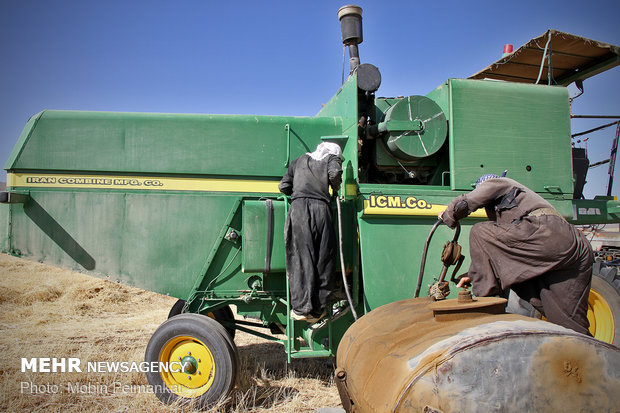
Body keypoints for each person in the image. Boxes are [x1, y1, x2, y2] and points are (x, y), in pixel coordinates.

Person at [439, 173, 594, 335]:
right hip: (574, 246)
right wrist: (473, 274)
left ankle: (484, 310)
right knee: (568, 323)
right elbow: (505, 253)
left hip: (547, 233)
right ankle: (590, 357)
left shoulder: (497, 182)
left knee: (480, 232)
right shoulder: (517, 210)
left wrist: (449, 214)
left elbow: (466, 202)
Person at [279, 142, 343, 323]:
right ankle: (317, 310)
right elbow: (335, 173)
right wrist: (335, 187)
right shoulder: (331, 158)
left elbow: (283, 186)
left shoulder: (298, 161)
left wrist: (299, 193)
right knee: (324, 259)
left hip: (298, 210)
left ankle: (300, 309)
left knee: (300, 257)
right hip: (321, 209)